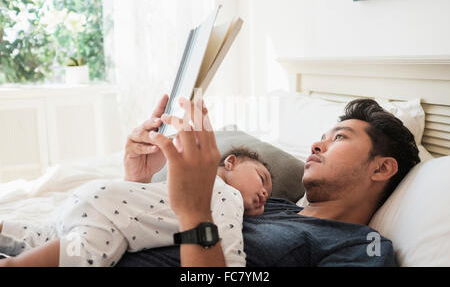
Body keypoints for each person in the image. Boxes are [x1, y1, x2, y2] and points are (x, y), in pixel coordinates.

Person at [112, 96, 420, 267]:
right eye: (322, 137)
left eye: (339, 138)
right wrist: (137, 180)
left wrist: (195, 215)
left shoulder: (361, 249)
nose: (316, 145)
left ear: (381, 169)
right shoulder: (266, 205)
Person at [0, 96, 272, 267]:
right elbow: (231, 257)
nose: (264, 193)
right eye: (262, 179)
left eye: (268, 194)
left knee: (43, 235)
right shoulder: (226, 194)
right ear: (231, 161)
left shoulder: (170, 185)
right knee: (88, 253)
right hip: (105, 220)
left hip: (90, 199)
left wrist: (136, 179)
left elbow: (139, 206)